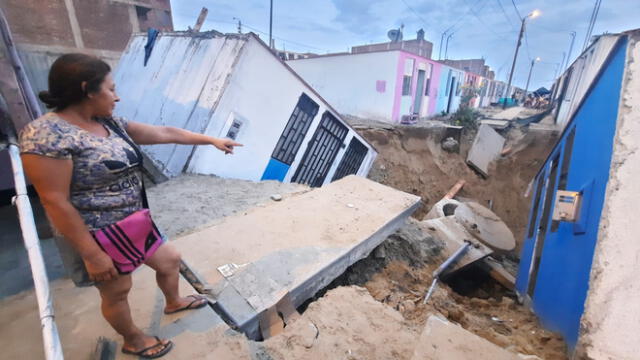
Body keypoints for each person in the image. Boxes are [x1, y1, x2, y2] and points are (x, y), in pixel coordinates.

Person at [19, 53, 242, 358]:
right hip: (96, 234)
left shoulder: (109, 122)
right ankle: (134, 339)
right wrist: (93, 255)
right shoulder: (45, 135)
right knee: (117, 292)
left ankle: (173, 301)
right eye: (111, 89)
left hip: (134, 221)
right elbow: (54, 200)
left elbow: (164, 133)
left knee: (169, 260)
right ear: (88, 89)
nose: (117, 96)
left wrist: (211, 140)